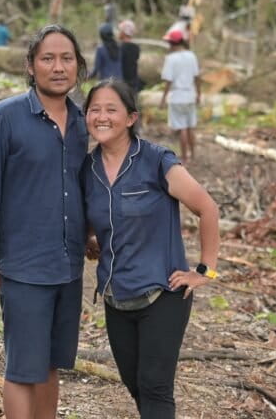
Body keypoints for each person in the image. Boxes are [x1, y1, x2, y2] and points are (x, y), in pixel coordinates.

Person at [0, 24, 89, 419]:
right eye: (48, 58)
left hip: (68, 266)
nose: (58, 67)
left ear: (78, 66)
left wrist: (90, 234)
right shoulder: (5, 117)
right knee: (22, 369)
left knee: (51, 364)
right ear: (30, 66)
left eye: (66, 58)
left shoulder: (83, 123)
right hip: (24, 266)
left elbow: (82, 186)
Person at [81, 79, 220, 418]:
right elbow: (93, 218)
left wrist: (205, 271)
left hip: (163, 293)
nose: (102, 117)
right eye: (94, 110)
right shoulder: (87, 168)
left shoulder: (157, 161)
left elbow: (207, 208)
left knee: (155, 386)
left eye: (111, 109)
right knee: (136, 385)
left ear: (131, 118)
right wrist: (90, 240)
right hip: (116, 296)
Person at [159, 29, 200, 165]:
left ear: (172, 43)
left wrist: (163, 99)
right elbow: (197, 77)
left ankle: (184, 157)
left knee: (182, 128)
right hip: (190, 95)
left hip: (177, 97)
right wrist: (199, 94)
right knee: (190, 127)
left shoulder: (171, 59)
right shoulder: (191, 56)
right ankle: (193, 154)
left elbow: (168, 81)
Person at [118, 19, 141, 95]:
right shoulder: (136, 48)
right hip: (134, 83)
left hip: (122, 83)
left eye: (120, 30)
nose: (118, 33)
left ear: (124, 33)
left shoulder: (120, 48)